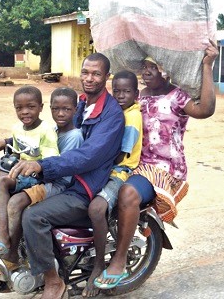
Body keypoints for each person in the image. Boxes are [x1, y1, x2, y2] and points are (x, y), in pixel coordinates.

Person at [94, 40, 219, 289]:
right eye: (145, 66)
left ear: (168, 69)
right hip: (133, 164)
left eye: (155, 66)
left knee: (128, 194)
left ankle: (119, 260)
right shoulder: (135, 96)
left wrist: (207, 66)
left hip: (163, 169)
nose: (147, 71)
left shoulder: (177, 96)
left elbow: (205, 109)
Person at [9, 52, 125, 299]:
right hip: (68, 177)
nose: (90, 78)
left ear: (106, 77)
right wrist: (8, 142)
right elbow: (52, 131)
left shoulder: (112, 114)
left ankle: (54, 281)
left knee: (33, 216)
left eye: (96, 74)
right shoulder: (82, 102)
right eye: (85, 72)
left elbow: (88, 156)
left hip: (85, 185)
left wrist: (43, 166)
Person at [0, 87, 84, 275]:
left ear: (75, 110)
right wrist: (4, 147)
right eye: (56, 109)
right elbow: (27, 145)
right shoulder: (52, 129)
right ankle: (4, 237)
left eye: (66, 109)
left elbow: (60, 167)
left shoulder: (73, 136)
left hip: (56, 183)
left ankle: (12, 255)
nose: (60, 113)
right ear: (50, 109)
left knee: (17, 203)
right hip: (35, 176)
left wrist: (29, 169)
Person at [82, 70, 142, 297]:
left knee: (96, 208)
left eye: (127, 92)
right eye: (116, 91)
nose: (121, 95)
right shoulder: (116, 110)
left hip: (120, 171)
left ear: (136, 93)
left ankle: (99, 263)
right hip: (109, 166)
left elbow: (121, 154)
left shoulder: (132, 117)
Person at [0, 85, 59, 256]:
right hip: (23, 174)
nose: (25, 112)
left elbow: (48, 163)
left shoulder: (46, 131)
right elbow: (18, 156)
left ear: (41, 107)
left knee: (1, 181)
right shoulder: (17, 129)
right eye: (19, 108)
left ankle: (3, 236)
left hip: (39, 178)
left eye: (31, 107)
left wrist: (7, 175)